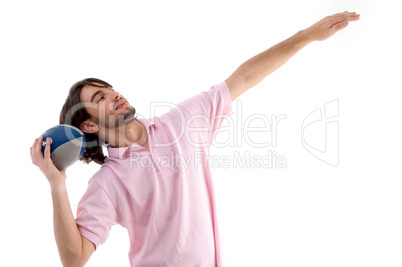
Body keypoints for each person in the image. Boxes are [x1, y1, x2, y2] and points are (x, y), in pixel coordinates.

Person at [30, 11, 360, 267]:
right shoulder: (106, 185)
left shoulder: (182, 123)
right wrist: (57, 184)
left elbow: (244, 77)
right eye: (99, 99)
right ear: (88, 126)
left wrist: (308, 36)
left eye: (110, 88)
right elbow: (74, 259)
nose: (114, 95)